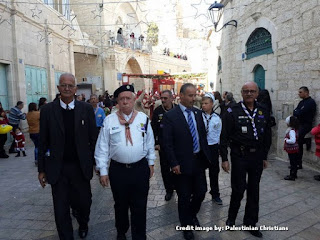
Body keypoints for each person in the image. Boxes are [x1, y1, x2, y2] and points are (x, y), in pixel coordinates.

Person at [38, 73, 98, 239]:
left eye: (70, 85)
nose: (66, 88)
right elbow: (42, 142)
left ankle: (83, 222)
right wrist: (41, 170)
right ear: (58, 88)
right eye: (63, 85)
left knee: (84, 203)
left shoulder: (85, 109)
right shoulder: (48, 110)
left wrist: (97, 163)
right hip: (58, 168)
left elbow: (93, 138)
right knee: (60, 208)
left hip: (81, 167)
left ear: (75, 89)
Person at [95, 85, 156, 240]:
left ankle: (139, 235)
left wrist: (151, 162)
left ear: (134, 99)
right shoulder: (109, 121)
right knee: (120, 205)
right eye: (121, 99)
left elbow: (149, 142)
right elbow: (102, 146)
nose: (125, 102)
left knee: (140, 205)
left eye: (128, 98)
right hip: (118, 170)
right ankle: (121, 231)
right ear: (117, 102)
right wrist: (103, 170)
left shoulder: (143, 119)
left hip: (139, 169)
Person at [220, 82, 271, 238]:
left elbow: (267, 134)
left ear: (257, 93)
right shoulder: (231, 111)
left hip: (256, 157)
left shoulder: (263, 109)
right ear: (241, 93)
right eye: (246, 91)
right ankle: (231, 219)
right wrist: (224, 158)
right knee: (238, 189)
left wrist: (264, 156)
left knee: (254, 190)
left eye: (252, 91)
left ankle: (251, 222)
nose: (249, 94)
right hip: (239, 156)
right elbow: (224, 136)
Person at [162, 83, 211, 240]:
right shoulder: (171, 116)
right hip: (181, 164)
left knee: (201, 192)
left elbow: (202, 136)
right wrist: (173, 163)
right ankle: (186, 226)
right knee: (184, 196)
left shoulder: (197, 113)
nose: (193, 98)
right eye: (190, 95)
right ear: (181, 95)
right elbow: (167, 143)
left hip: (198, 162)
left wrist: (207, 157)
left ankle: (191, 214)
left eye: (194, 95)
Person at [151, 90, 177, 201]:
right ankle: (169, 190)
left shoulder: (178, 110)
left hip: (176, 145)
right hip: (163, 146)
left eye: (165, 98)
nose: (163, 100)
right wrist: (156, 143)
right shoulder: (158, 111)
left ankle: (177, 186)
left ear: (171, 98)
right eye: (161, 98)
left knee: (177, 167)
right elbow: (153, 129)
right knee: (165, 169)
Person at [201, 93, 222, 205]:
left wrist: (218, 148)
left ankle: (215, 193)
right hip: (202, 147)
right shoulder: (199, 116)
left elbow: (218, 133)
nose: (204, 105)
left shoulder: (217, 118)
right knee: (200, 171)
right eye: (202, 103)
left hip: (213, 147)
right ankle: (200, 191)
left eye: (206, 103)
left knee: (214, 172)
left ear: (212, 104)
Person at [293, 86, 317, 169]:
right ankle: (297, 162)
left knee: (298, 140)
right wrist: (297, 112)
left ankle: (298, 163)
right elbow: (295, 112)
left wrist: (298, 112)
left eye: (300, 92)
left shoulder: (310, 102)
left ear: (306, 92)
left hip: (306, 125)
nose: (299, 94)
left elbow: (300, 113)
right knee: (297, 140)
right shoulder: (301, 102)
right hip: (300, 124)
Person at [283, 116, 300, 181]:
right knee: (294, 162)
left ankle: (292, 175)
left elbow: (293, 140)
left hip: (293, 150)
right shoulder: (293, 130)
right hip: (293, 149)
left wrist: (286, 140)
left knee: (293, 163)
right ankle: (294, 174)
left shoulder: (291, 131)